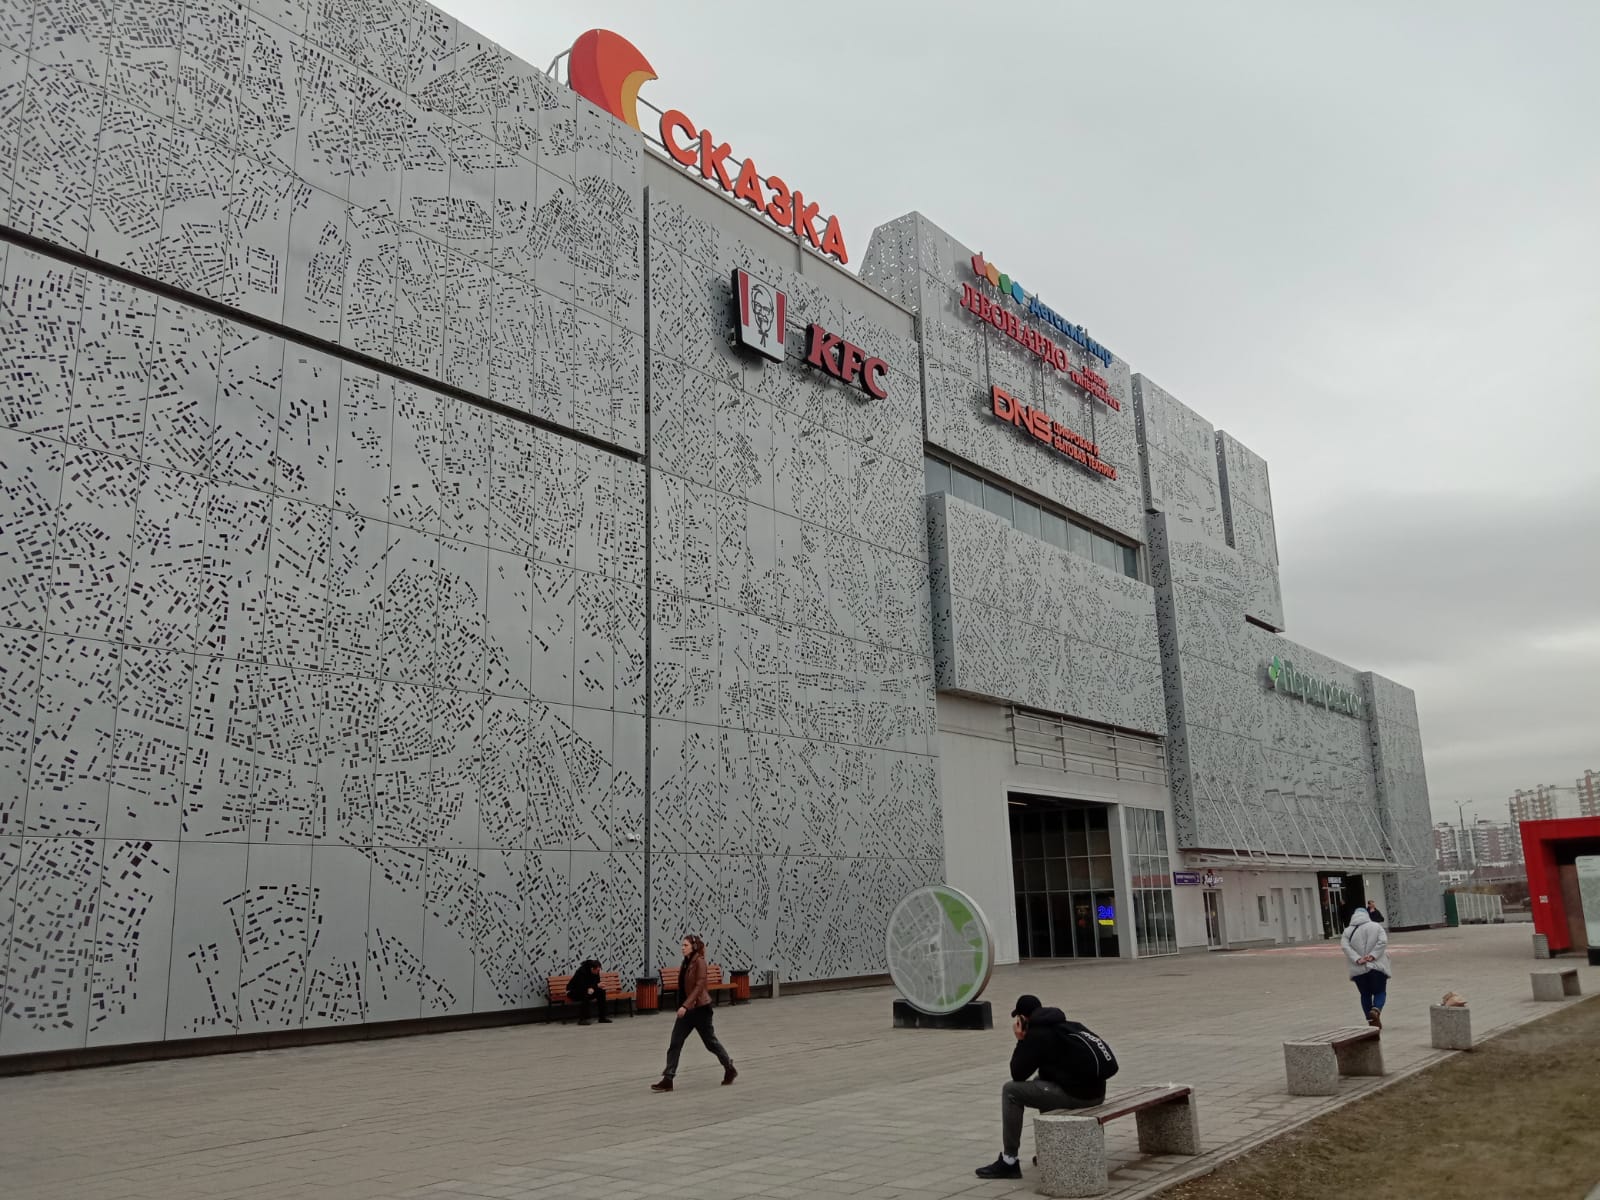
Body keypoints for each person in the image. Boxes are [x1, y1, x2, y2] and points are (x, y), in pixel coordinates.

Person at [974, 994, 1116, 1180]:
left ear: (1022, 1018)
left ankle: (1009, 1161)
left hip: (1080, 1097)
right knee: (1040, 1083)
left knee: (1010, 1091)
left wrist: (1021, 1039)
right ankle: (1050, 1150)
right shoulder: (1068, 1025)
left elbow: (1017, 1073)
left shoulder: (1038, 1034)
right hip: (1097, 1093)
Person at [650, 935, 736, 1091]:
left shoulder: (700, 962)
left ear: (694, 947)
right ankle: (668, 1079)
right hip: (687, 1011)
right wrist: (684, 1006)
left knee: (711, 1043)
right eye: (682, 945)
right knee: (675, 1042)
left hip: (700, 1009)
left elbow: (699, 986)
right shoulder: (686, 962)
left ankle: (729, 1068)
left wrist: (685, 1005)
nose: (682, 948)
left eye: (685, 945)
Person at [1342, 908, 1392, 1028]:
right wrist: (1373, 955)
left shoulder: (1347, 931)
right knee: (1380, 992)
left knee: (1365, 995)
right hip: (1376, 966)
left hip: (1358, 969)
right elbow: (1383, 941)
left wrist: (1358, 959)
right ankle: (1376, 1009)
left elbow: (1345, 947)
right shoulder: (1376, 926)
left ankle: (1370, 1020)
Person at [566, 959, 611, 1025]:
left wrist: (598, 986)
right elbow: (581, 986)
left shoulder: (596, 972)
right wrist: (595, 986)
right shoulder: (581, 972)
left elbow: (596, 984)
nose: (598, 972)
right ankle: (582, 1019)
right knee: (586, 994)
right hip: (573, 992)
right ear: (592, 969)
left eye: (599, 970)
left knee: (601, 992)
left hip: (586, 990)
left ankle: (602, 1018)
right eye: (597, 970)